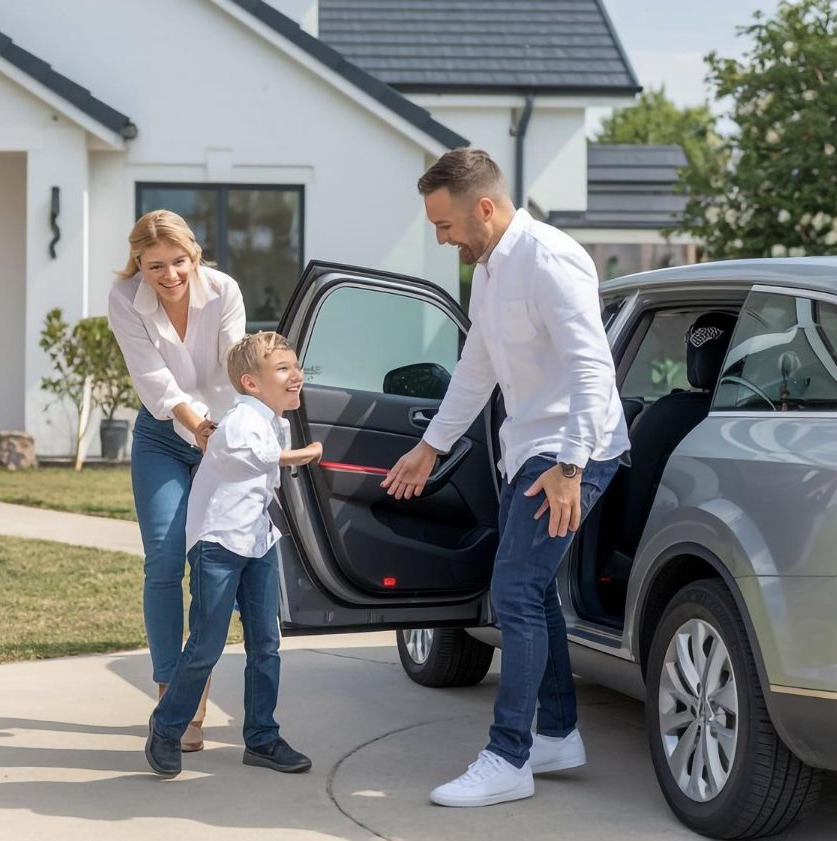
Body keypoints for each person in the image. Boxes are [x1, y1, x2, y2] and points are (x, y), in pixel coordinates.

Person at [380, 148, 630, 808]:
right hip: (531, 449)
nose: (441, 238)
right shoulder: (488, 270)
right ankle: (557, 732)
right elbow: (475, 367)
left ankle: (508, 756)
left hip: (573, 447)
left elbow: (593, 372)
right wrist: (430, 447)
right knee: (533, 588)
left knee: (513, 589)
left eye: (445, 224)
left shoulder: (549, 258)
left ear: (483, 207)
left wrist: (572, 467)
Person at [144, 332, 323, 778]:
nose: (296, 375)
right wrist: (306, 453)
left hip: (256, 541)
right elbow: (248, 455)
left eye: (295, 366)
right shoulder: (243, 416)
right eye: (283, 369)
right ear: (251, 382)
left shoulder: (274, 419)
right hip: (219, 544)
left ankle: (262, 737)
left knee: (266, 642)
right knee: (206, 644)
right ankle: (166, 728)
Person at [108, 210, 246, 752]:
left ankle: (194, 692)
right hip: (166, 436)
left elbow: (236, 367)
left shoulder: (223, 290)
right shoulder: (125, 299)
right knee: (163, 561)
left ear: (195, 255)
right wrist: (197, 428)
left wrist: (233, 434)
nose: (169, 275)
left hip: (222, 437)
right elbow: (154, 381)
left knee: (209, 567)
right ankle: (173, 699)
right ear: (138, 262)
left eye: (178, 262)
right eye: (155, 265)